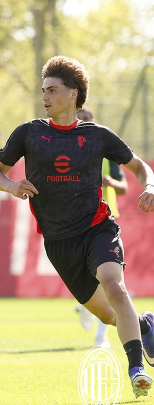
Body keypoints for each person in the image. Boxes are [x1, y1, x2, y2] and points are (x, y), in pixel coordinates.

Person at [0, 55, 154, 398]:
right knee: (108, 315)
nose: (45, 96)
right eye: (43, 90)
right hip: (58, 242)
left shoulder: (98, 136)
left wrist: (150, 185)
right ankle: (146, 326)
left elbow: (140, 167)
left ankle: (136, 369)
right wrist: (11, 185)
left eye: (52, 90)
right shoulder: (29, 133)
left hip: (97, 228)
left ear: (73, 93)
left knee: (115, 286)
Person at [73, 106, 130, 348]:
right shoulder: (63, 150)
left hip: (105, 221)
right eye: (80, 118)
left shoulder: (104, 150)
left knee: (109, 280)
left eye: (87, 118)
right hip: (76, 222)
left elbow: (124, 187)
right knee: (86, 277)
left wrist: (111, 182)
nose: (83, 121)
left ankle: (101, 336)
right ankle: (87, 306)